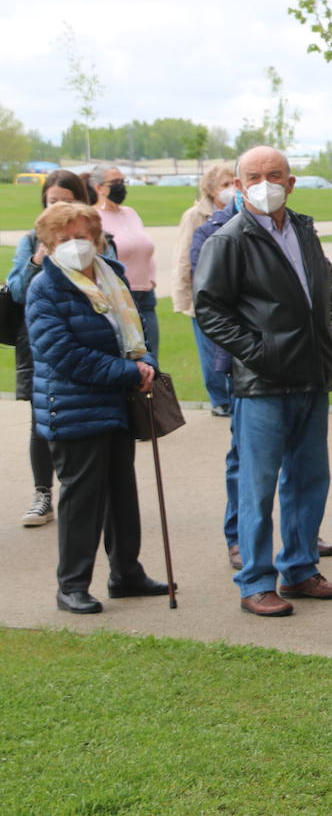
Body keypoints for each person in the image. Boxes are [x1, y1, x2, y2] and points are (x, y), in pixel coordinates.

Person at [194, 146, 332, 617]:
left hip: (311, 376)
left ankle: (300, 569)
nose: (266, 183)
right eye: (254, 176)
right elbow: (209, 310)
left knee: (308, 480)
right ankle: (256, 581)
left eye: (275, 174)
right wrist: (259, 353)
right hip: (262, 383)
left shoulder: (303, 229)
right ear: (239, 186)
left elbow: (325, 289)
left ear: (291, 181)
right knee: (257, 487)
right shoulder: (229, 239)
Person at [25, 202, 168, 613]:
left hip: (116, 403)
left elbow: (137, 329)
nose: (74, 245)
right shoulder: (45, 288)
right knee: (82, 498)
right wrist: (128, 371)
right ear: (49, 245)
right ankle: (71, 585)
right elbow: (63, 354)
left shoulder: (113, 275)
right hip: (73, 406)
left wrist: (147, 365)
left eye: (81, 236)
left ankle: (126, 574)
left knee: (122, 493)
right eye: (63, 239)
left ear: (96, 236)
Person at [8, 171, 109, 528]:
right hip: (41, 342)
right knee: (42, 419)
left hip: (92, 344)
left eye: (67, 199)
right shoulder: (30, 241)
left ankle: (92, 495)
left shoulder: (97, 240)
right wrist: (38, 259)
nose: (60, 206)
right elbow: (18, 291)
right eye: (53, 201)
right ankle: (42, 493)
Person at [174, 165, 237, 416]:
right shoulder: (194, 216)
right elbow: (183, 259)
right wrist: (187, 300)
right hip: (202, 297)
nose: (230, 189)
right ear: (210, 190)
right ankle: (219, 399)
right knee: (209, 352)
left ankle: (234, 395)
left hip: (231, 296)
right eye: (224, 185)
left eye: (233, 182)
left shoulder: (238, 212)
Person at [90, 166, 159, 361]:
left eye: (123, 181)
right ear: (99, 187)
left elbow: (145, 247)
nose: (121, 187)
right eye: (115, 183)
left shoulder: (131, 213)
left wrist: (151, 278)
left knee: (152, 355)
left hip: (145, 295)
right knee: (127, 356)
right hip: (117, 297)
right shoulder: (93, 217)